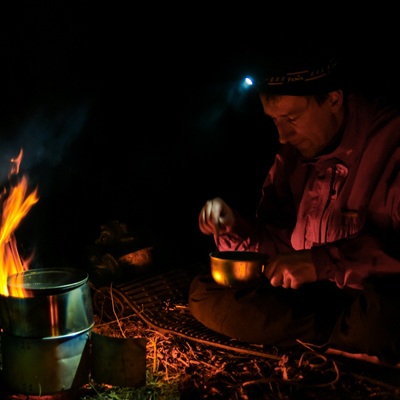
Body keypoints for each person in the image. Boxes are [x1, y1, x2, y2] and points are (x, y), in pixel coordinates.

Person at [188, 52, 400, 367]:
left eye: (291, 118)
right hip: (316, 302)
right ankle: (338, 345)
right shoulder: (294, 156)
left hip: (368, 300)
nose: (282, 135)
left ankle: (331, 341)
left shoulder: (392, 143)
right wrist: (238, 232)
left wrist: (323, 262)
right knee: (204, 293)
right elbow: (282, 245)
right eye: (274, 120)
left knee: (382, 322)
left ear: (332, 99)